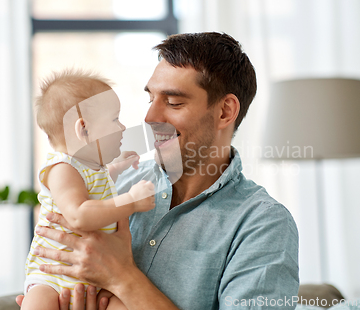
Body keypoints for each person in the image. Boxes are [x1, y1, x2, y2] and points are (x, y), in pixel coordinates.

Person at [17, 32, 299, 309]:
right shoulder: (112, 184)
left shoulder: (262, 224)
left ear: (225, 112)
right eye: (150, 99)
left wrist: (123, 277)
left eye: (174, 102)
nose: (150, 118)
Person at [21, 70, 155, 310]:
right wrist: (131, 201)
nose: (123, 126)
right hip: (52, 278)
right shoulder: (61, 169)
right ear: (84, 130)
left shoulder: (91, 168)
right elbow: (79, 214)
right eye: (115, 119)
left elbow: (96, 187)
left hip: (97, 276)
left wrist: (117, 167)